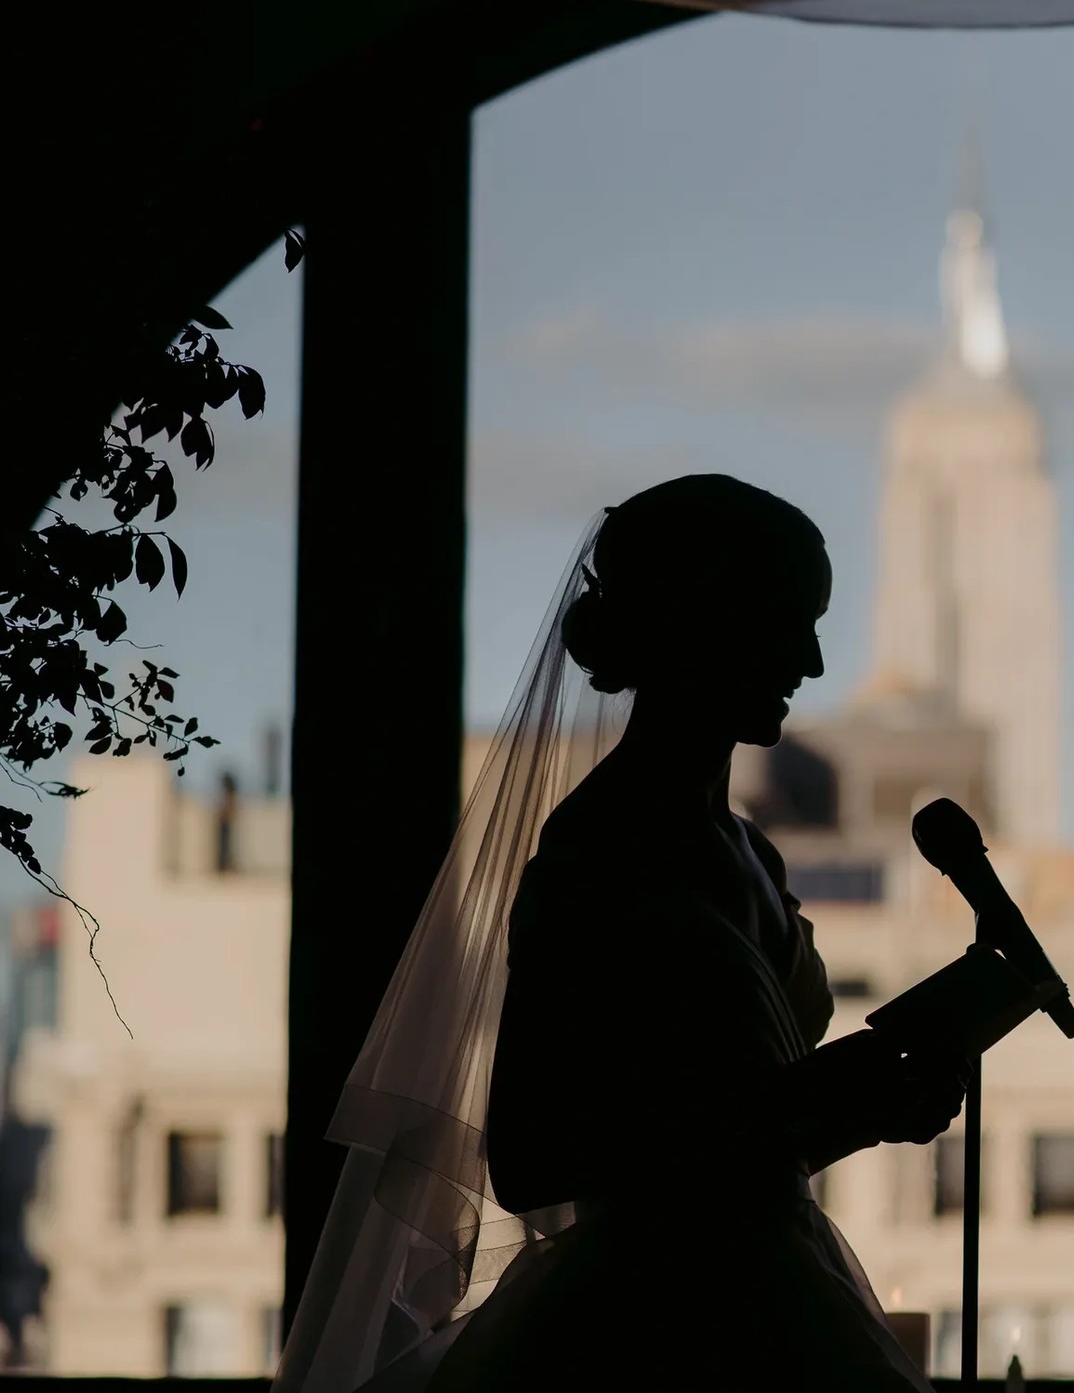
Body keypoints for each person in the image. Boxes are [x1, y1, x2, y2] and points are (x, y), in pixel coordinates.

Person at [274, 475, 959, 1393]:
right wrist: (808, 1106)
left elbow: (729, 1147)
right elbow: (536, 1157)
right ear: (699, 623)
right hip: (645, 1333)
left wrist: (857, 1115)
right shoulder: (598, 854)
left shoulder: (750, 851)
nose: (812, 662)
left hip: (771, 1291)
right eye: (785, 621)